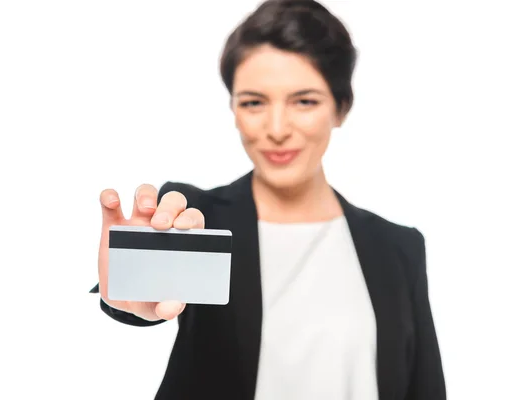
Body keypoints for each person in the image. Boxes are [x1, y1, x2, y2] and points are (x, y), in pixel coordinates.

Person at [89, 0, 446, 399]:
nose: (276, 129)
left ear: (341, 108)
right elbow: (140, 301)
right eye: (254, 102)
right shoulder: (197, 218)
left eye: (304, 101)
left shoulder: (398, 248)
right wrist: (131, 279)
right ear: (234, 110)